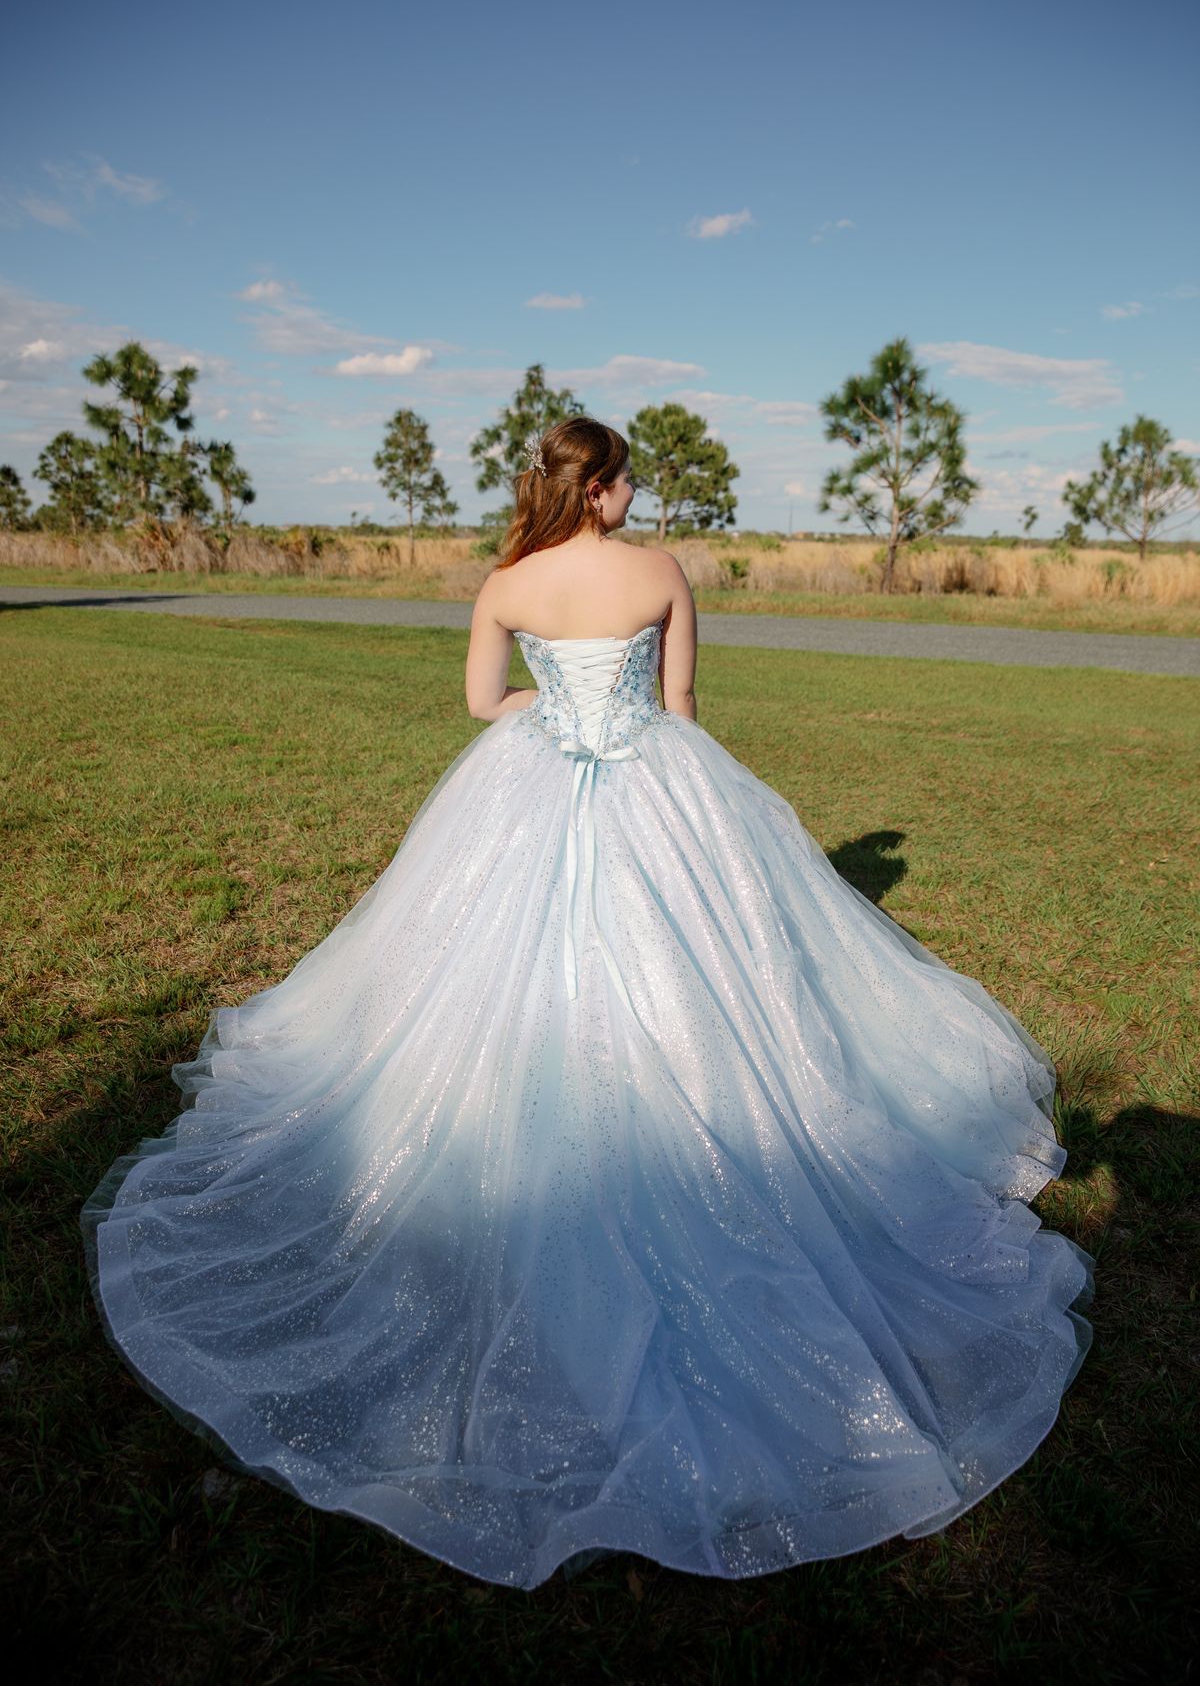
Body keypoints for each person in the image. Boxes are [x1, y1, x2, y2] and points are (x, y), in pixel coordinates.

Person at [82, 416, 1093, 1591]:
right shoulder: (661, 573)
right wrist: (646, 764)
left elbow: (478, 706)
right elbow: (680, 707)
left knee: (486, 970)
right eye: (627, 481)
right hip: (660, 789)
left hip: (532, 778)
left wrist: (551, 717)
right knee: (704, 971)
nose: (633, 496)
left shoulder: (507, 582)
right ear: (602, 489)